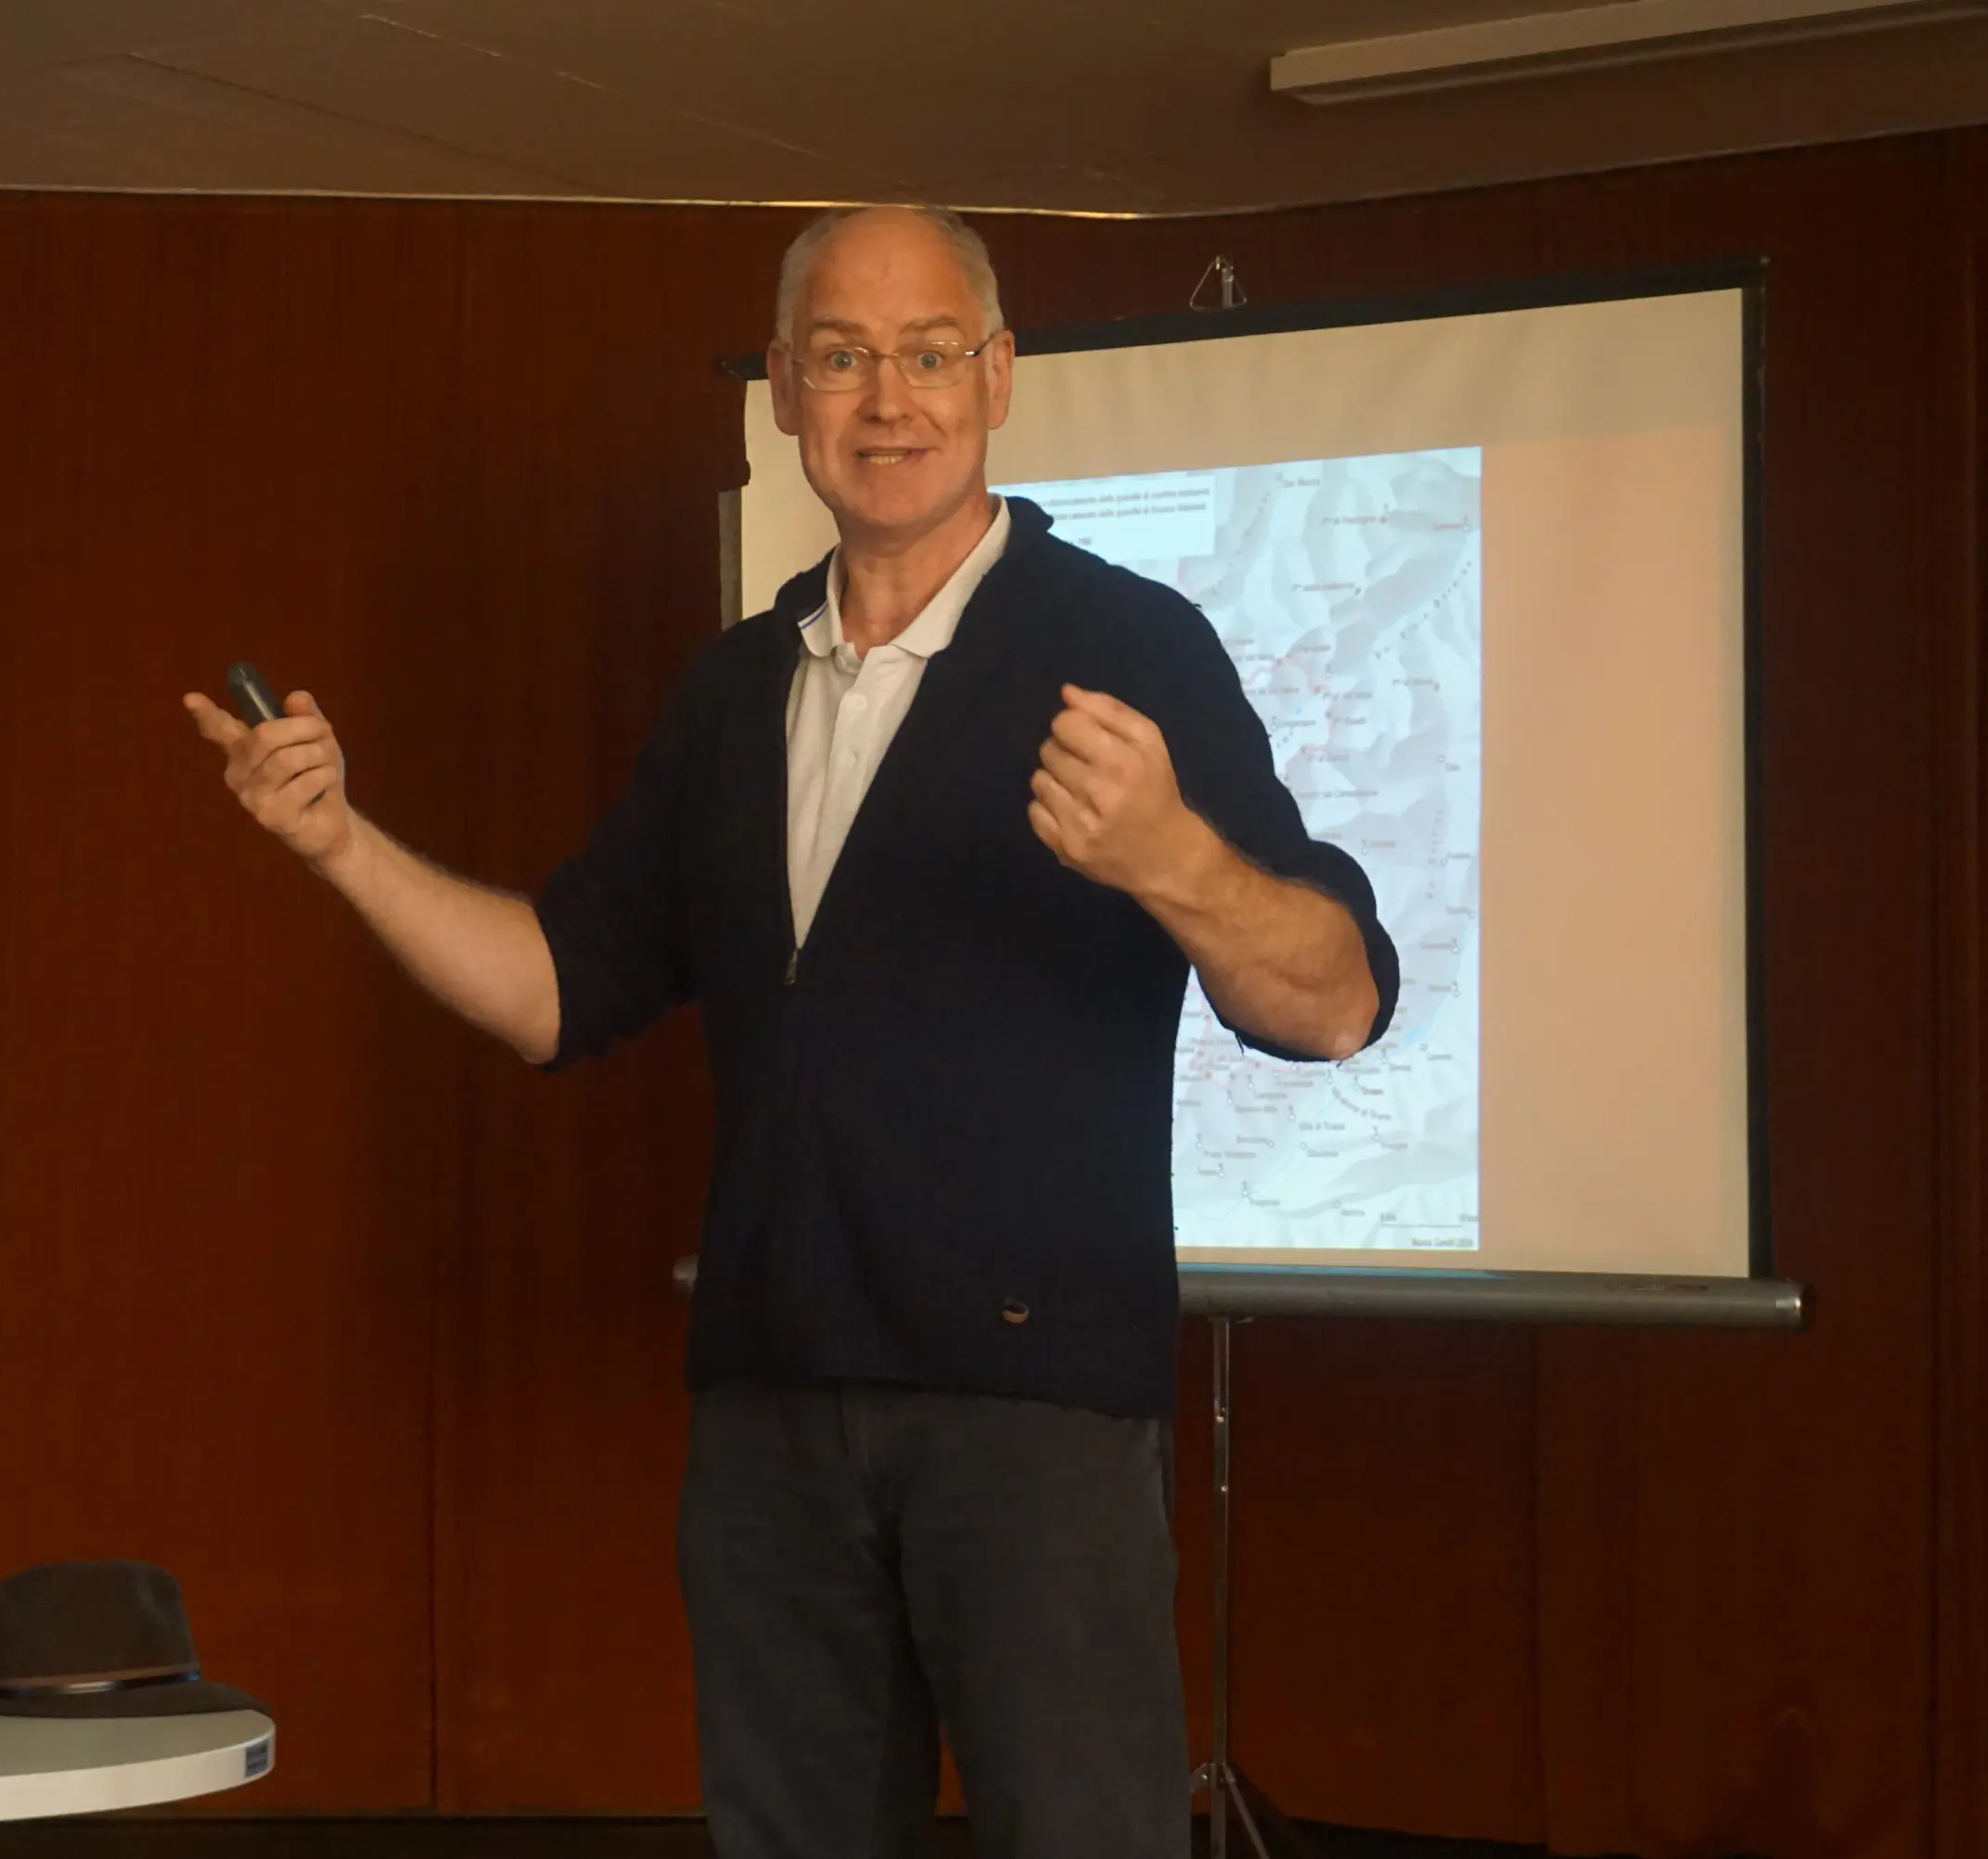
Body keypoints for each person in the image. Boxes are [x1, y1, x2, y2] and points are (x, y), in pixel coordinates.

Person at [185, 204, 1398, 1859]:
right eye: (840, 358)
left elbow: (1334, 1004)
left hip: (1033, 1416)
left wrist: (1175, 860)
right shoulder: (733, 692)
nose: (884, 399)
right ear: (781, 393)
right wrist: (341, 845)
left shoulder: (1122, 643)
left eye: (923, 356)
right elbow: (557, 986)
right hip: (770, 1414)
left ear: (997, 379)